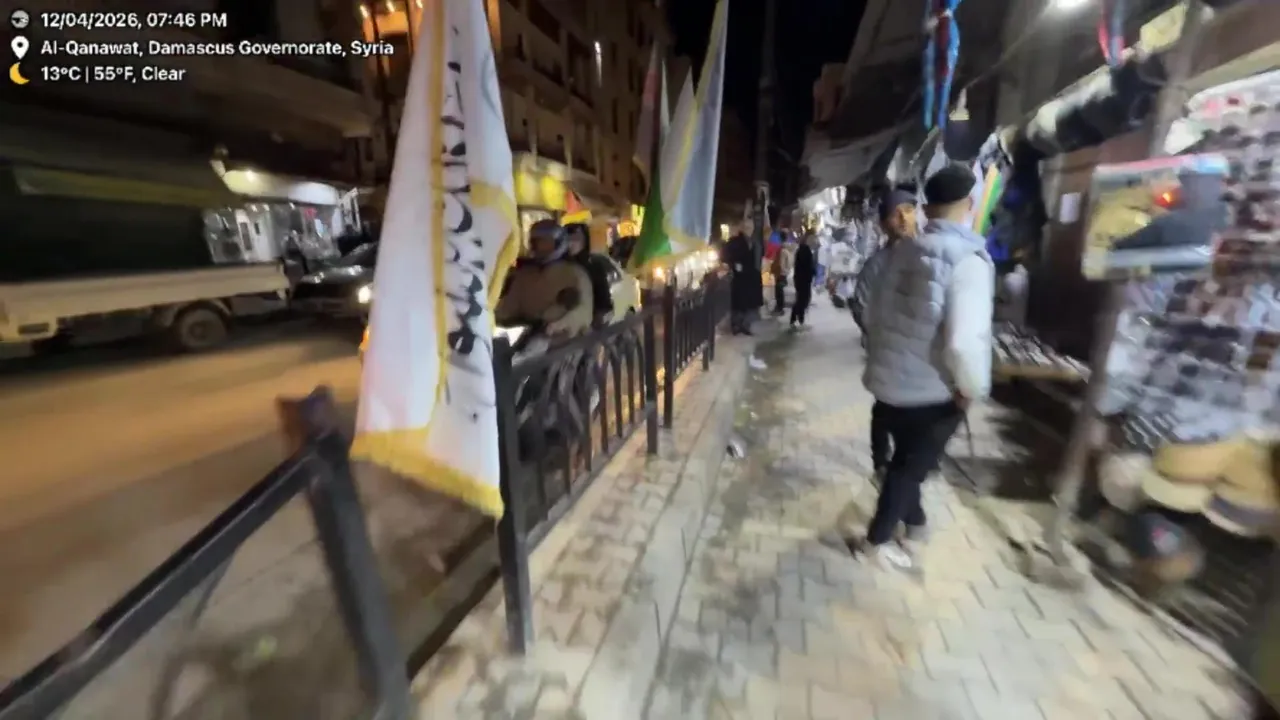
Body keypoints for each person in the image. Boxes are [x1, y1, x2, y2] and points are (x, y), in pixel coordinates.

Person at [859, 165, 994, 570]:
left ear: (926, 208)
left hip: (888, 383)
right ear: (969, 205)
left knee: (906, 461)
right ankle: (876, 543)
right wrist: (971, 388)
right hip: (931, 392)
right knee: (907, 470)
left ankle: (914, 521)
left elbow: (873, 313)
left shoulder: (901, 251)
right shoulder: (968, 261)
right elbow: (964, 342)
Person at [851, 188, 919, 480]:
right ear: (883, 224)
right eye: (896, 213)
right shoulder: (877, 265)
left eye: (909, 210)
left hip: (923, 358)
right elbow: (860, 305)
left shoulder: (929, 256)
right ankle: (881, 461)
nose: (903, 218)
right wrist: (882, 337)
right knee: (885, 408)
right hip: (889, 354)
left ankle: (910, 463)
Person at [496, 219, 595, 339]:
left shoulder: (575, 275)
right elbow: (509, 306)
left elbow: (581, 312)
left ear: (558, 242)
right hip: (528, 336)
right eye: (535, 241)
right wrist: (492, 317)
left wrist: (555, 326)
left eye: (544, 242)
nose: (538, 246)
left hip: (564, 340)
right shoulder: (525, 275)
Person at [564, 222, 614, 326]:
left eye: (576, 239)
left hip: (587, 324)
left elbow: (604, 300)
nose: (571, 243)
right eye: (567, 239)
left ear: (585, 241)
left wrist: (599, 317)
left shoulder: (594, 267)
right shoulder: (558, 266)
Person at [723, 220, 762, 335]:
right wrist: (734, 265)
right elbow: (726, 254)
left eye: (750, 227)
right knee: (739, 302)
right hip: (740, 277)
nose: (749, 229)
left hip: (752, 277)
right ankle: (736, 325)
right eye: (747, 227)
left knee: (749, 303)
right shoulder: (735, 241)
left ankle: (745, 325)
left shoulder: (754, 242)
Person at [790, 234, 816, 328]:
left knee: (802, 299)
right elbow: (807, 266)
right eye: (812, 240)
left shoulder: (802, 250)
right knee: (803, 299)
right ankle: (797, 319)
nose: (814, 241)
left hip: (801, 279)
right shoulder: (805, 251)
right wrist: (813, 272)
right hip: (803, 279)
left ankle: (798, 319)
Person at [770, 237, 792, 315]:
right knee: (779, 291)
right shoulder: (787, 251)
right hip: (783, 274)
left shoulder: (782, 251)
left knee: (779, 291)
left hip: (780, 274)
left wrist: (778, 272)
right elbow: (788, 264)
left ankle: (780, 308)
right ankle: (779, 307)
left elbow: (781, 264)